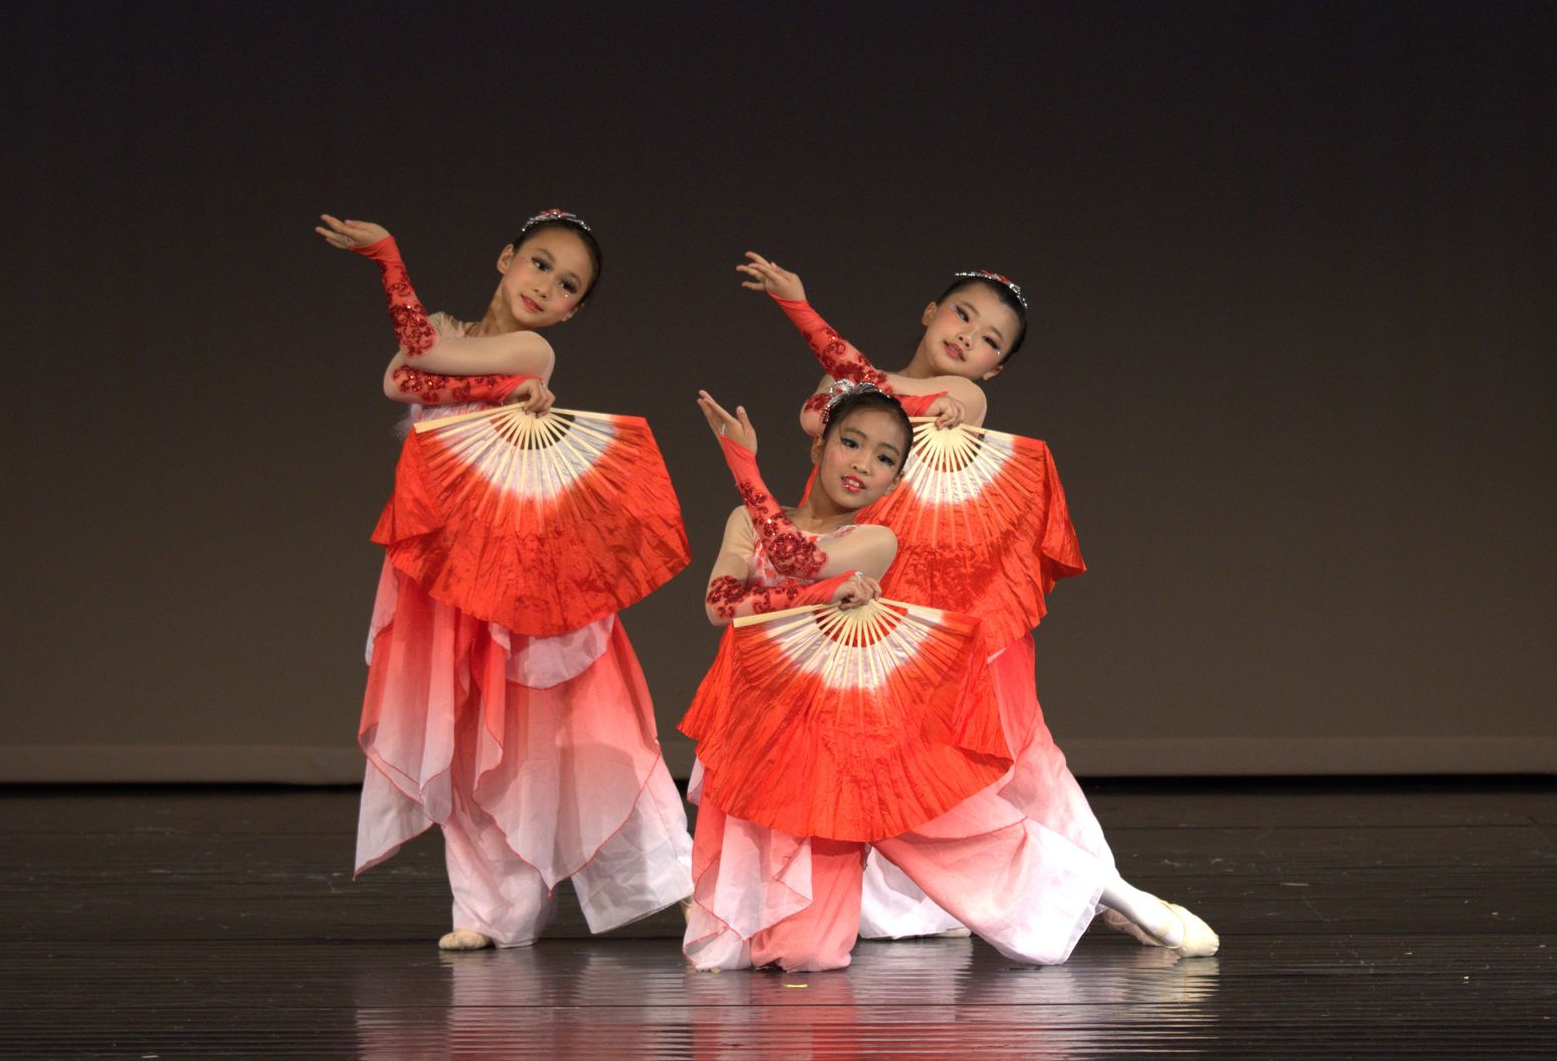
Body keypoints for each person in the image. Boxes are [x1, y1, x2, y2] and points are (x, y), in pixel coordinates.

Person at [737, 255, 1218, 954]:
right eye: (962, 313)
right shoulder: (857, 384)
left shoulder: (965, 398)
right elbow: (822, 416)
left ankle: (1097, 889)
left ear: (993, 370)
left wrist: (806, 316)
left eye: (991, 339)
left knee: (978, 765)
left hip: (953, 609)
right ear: (930, 311)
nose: (969, 337)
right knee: (850, 764)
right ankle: (873, 905)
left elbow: (873, 395)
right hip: (857, 589)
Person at [320, 210, 694, 950]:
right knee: (464, 726)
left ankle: (676, 884)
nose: (547, 284)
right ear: (506, 258)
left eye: (567, 285)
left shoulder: (532, 351)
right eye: (540, 263)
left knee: (578, 725)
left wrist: (390, 258)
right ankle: (492, 911)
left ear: (569, 311)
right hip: (446, 560)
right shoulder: (453, 334)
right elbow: (406, 375)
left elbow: (423, 355)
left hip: (523, 561)